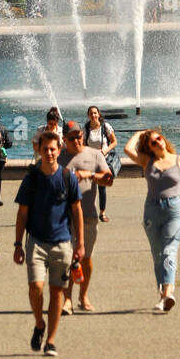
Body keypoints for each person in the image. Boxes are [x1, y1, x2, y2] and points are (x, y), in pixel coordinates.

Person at [14, 130, 84, 357]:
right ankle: (39, 323)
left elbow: (76, 211)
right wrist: (17, 244)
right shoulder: (31, 178)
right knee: (35, 288)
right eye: (45, 149)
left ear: (59, 150)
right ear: (39, 150)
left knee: (57, 293)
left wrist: (80, 243)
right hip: (36, 242)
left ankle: (51, 340)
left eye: (53, 149)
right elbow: (22, 213)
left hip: (63, 243)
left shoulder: (67, 177)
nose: (49, 153)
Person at [124, 128, 180, 312]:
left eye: (160, 138)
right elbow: (127, 149)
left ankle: (167, 294)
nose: (158, 142)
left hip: (174, 211)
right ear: (149, 147)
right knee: (157, 254)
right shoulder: (147, 161)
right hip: (152, 211)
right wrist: (140, 133)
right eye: (154, 142)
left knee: (169, 250)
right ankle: (163, 294)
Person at [59, 121, 112, 312]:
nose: (77, 140)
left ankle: (83, 295)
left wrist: (89, 175)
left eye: (79, 136)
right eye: (72, 138)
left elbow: (109, 179)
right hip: (63, 218)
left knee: (86, 258)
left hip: (88, 215)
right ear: (64, 140)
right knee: (67, 259)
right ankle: (67, 299)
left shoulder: (94, 154)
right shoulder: (58, 157)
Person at [84, 105, 117, 221]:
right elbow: (82, 144)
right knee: (89, 187)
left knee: (102, 187)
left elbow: (114, 141)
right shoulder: (86, 128)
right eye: (91, 113)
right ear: (88, 115)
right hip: (90, 161)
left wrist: (105, 150)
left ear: (99, 114)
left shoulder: (105, 126)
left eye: (95, 113)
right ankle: (90, 211)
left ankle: (102, 212)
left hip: (103, 160)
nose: (93, 115)